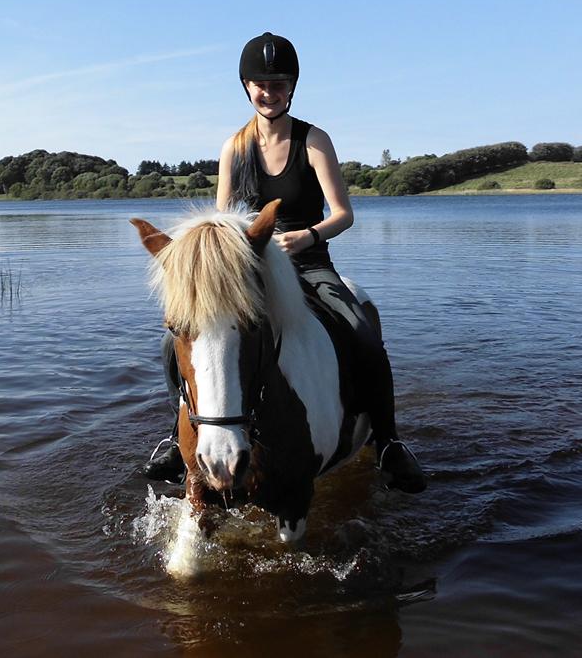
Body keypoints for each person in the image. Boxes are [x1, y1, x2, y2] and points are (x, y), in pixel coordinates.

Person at [143, 32, 426, 493]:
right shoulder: (234, 148)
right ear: (247, 87)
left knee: (362, 332)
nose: (269, 93)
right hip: (251, 271)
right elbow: (222, 221)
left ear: (291, 88)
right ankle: (181, 439)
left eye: (279, 84)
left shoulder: (313, 141)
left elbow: (343, 214)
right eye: (261, 84)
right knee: (171, 344)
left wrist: (308, 235)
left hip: (309, 263)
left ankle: (388, 442)